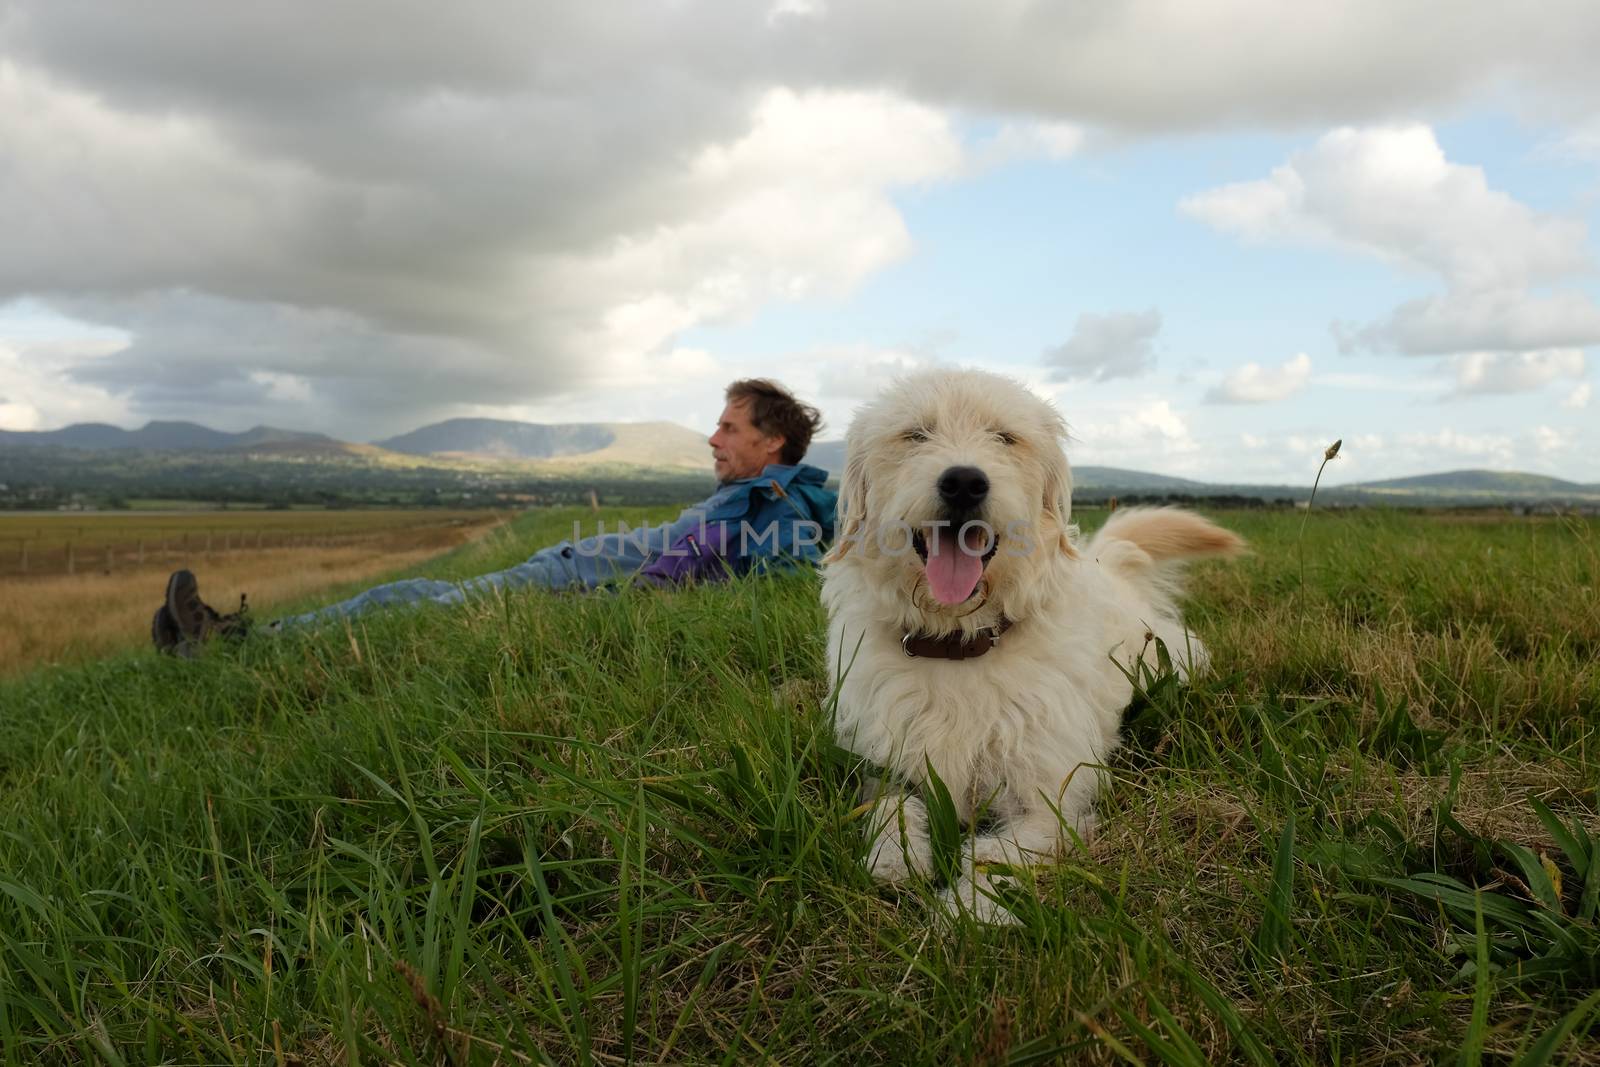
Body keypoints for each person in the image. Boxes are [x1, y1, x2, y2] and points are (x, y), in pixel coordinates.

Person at [151, 379, 836, 656]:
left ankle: (236, 642)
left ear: (771, 440)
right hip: (562, 573)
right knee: (408, 598)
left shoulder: (774, 503)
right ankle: (230, 635)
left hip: (564, 588)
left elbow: (782, 581)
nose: (712, 438)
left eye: (727, 426)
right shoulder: (763, 498)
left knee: (403, 598)